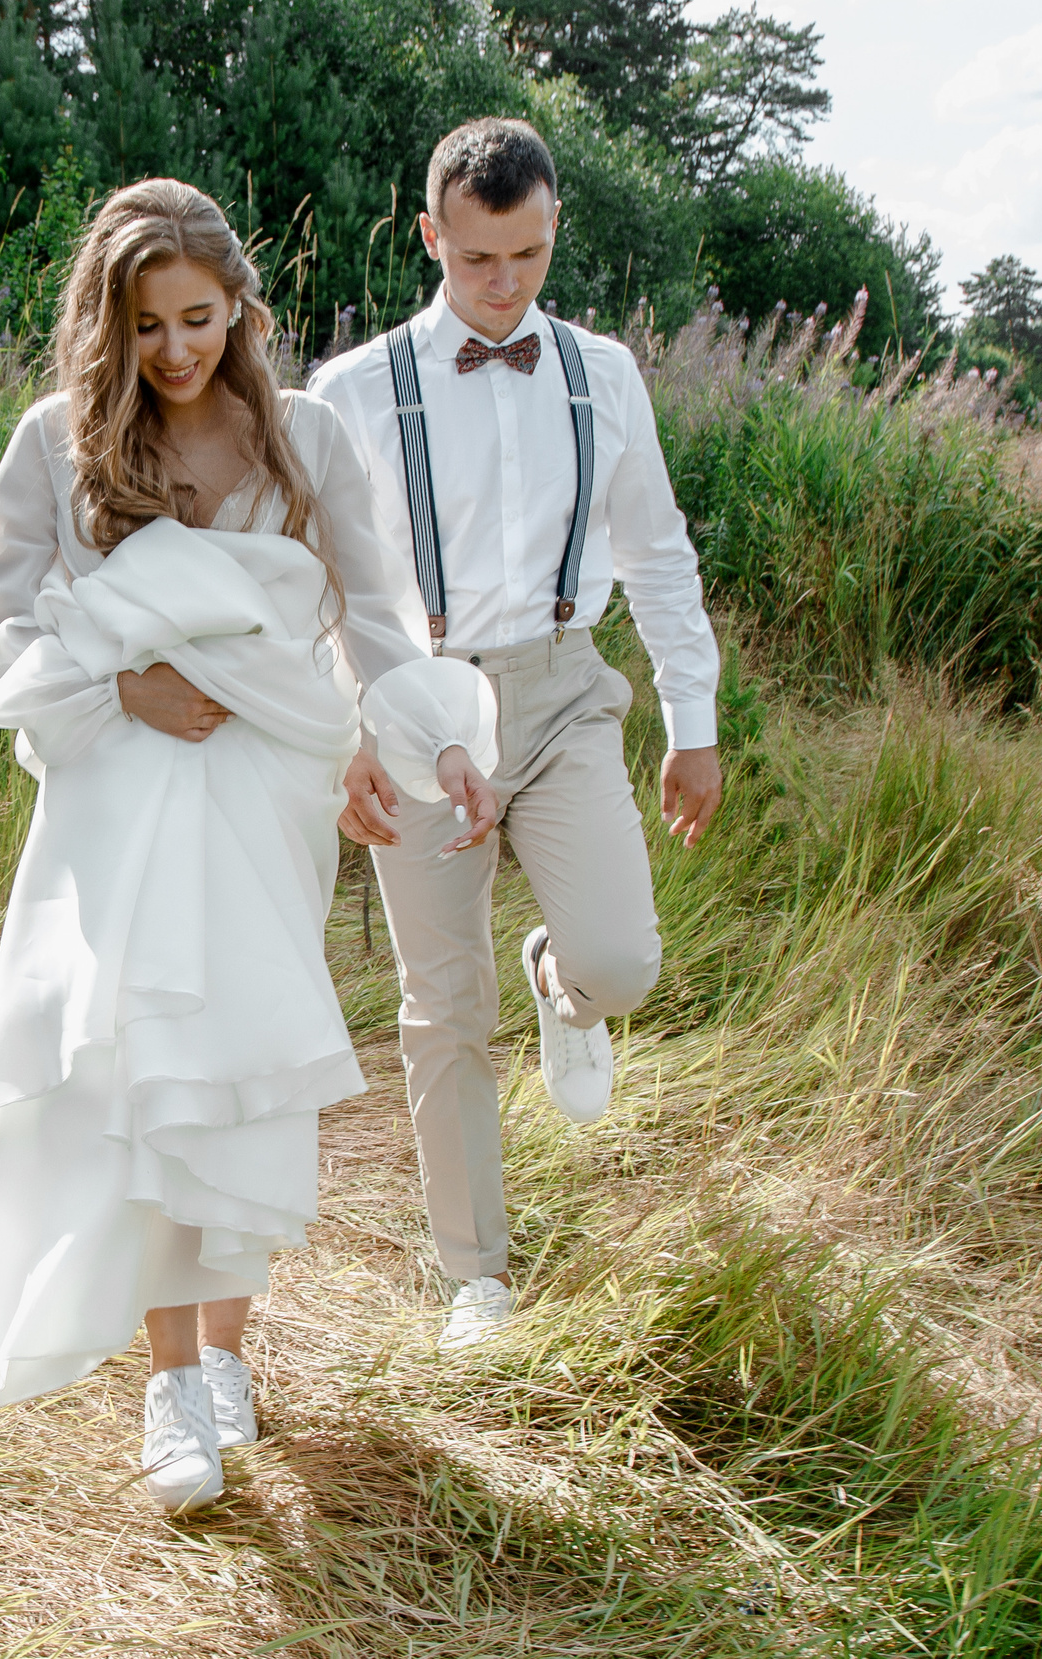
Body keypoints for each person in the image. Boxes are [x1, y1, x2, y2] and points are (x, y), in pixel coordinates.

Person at [0, 178, 499, 1514]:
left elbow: (376, 612)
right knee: (153, 1070)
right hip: (124, 786)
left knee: (245, 1075)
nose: (175, 350)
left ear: (241, 308)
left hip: (266, 786)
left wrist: (436, 740)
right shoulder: (55, 442)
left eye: (197, 318)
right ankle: (169, 1384)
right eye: (145, 326)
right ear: (109, 323)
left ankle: (227, 1356)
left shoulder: (304, 435)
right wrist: (119, 687)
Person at [308, 118, 725, 1351]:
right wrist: (350, 736)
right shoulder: (353, 389)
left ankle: (564, 983)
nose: (504, 285)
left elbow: (656, 552)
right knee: (443, 1005)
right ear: (431, 236)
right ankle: (474, 1277)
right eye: (479, 258)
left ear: (553, 233)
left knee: (625, 962)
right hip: (413, 696)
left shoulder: (605, 373)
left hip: (558, 690)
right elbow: (311, 584)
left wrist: (690, 723)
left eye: (529, 256)